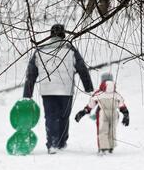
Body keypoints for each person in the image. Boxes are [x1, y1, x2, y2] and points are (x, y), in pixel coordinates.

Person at [23, 24, 94, 154]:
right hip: (65, 90)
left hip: (47, 90)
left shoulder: (40, 49)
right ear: (63, 35)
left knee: (50, 117)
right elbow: (81, 68)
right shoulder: (70, 49)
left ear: (51, 34)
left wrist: (27, 93)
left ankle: (52, 144)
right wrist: (88, 87)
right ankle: (61, 142)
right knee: (63, 116)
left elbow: (31, 72)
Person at [75, 72, 130, 154]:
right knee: (112, 130)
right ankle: (111, 147)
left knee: (102, 131)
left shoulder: (99, 93)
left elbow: (91, 105)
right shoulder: (116, 94)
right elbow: (122, 105)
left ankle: (103, 148)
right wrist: (126, 115)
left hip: (102, 114)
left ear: (102, 81)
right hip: (114, 114)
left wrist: (83, 112)